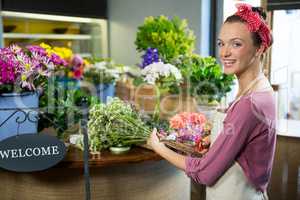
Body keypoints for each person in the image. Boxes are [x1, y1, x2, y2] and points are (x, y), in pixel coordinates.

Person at [147, 3, 276, 200]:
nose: (224, 53)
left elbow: (205, 173)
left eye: (236, 44)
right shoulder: (260, 91)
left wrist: (158, 146)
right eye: (221, 43)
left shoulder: (250, 104)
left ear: (259, 48)